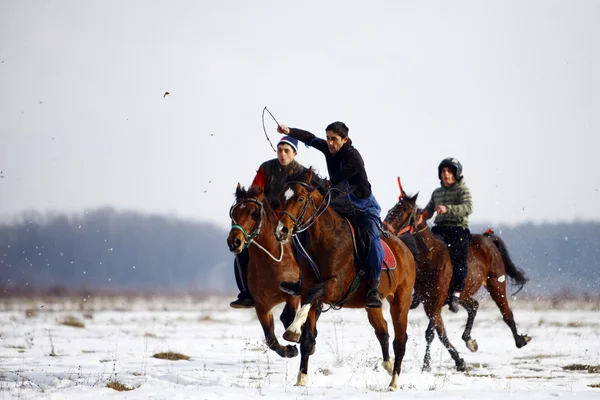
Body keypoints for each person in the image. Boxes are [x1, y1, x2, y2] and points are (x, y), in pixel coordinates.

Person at [277, 122, 385, 308]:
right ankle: (304, 280)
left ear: (344, 139)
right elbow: (310, 138)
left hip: (364, 208)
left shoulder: (353, 156)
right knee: (308, 228)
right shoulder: (328, 149)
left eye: (333, 139)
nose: (329, 143)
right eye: (327, 138)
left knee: (373, 239)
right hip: (341, 204)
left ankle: (373, 287)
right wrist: (290, 131)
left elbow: (347, 171)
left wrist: (328, 183)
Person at [230, 136, 306, 308]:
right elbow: (255, 192)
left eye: (287, 151)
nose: (282, 154)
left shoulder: (300, 172)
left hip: (291, 221)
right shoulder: (266, 167)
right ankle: (246, 292)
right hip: (265, 220)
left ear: (295, 153)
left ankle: (305, 283)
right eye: (280, 150)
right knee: (241, 249)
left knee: (305, 245)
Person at [422, 157, 473, 313]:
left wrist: (448, 209)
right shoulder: (437, 193)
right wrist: (421, 215)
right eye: (443, 171)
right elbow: (428, 210)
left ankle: (456, 293)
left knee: (459, 258)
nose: (446, 174)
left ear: (456, 174)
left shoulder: (462, 191)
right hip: (439, 229)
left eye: (449, 171)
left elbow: (468, 207)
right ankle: (419, 291)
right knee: (423, 252)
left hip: (458, 229)